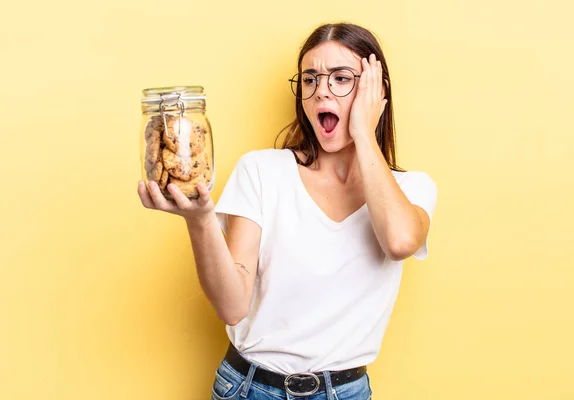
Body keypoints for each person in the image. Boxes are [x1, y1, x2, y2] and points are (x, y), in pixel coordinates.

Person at [138, 22, 437, 400]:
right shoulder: (262, 171)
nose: (320, 91)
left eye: (341, 78)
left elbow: (399, 241)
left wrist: (363, 131)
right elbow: (232, 307)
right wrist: (200, 222)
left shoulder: (412, 190)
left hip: (344, 393)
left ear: (376, 91)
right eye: (310, 79)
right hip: (248, 389)